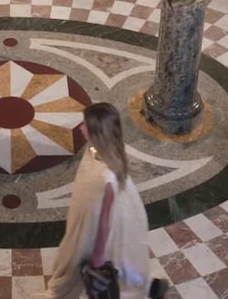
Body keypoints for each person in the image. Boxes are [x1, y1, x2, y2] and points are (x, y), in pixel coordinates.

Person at [34, 102, 168, 299]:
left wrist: (97, 254)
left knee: (78, 268)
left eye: (85, 124)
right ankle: (148, 287)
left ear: (97, 132)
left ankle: (57, 294)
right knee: (119, 260)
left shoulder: (106, 176)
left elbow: (104, 221)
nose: (81, 128)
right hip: (104, 226)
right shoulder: (102, 152)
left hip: (92, 233)